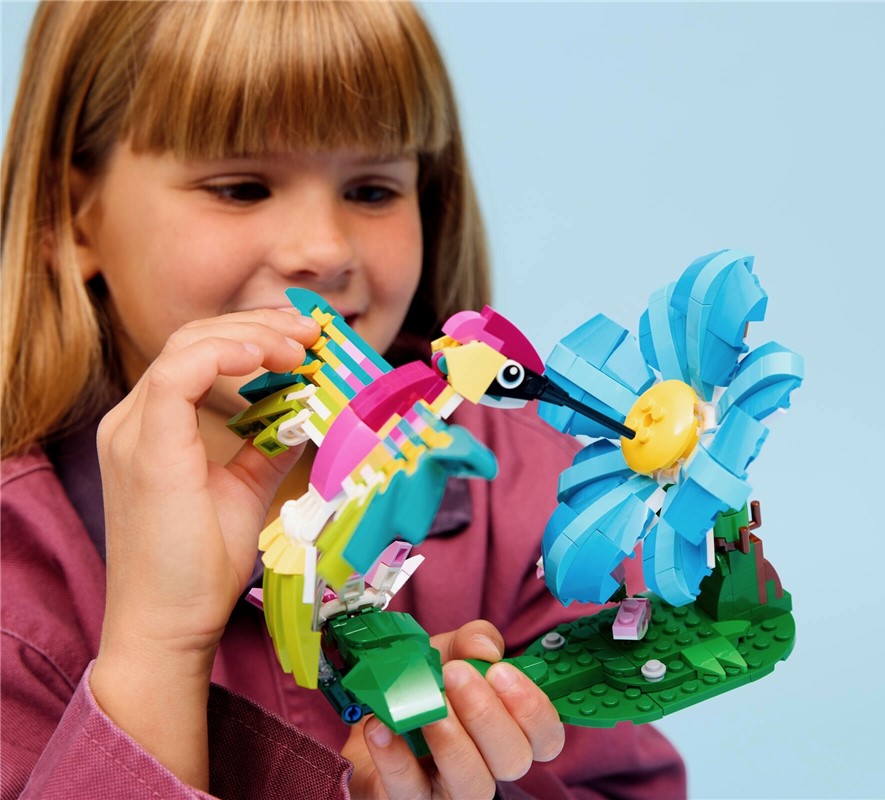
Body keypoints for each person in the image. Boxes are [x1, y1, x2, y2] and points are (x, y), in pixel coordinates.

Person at [0, 3, 687, 798]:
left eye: (371, 188)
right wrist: (155, 648)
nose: (323, 251)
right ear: (70, 218)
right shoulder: (18, 582)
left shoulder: (535, 498)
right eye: (240, 188)